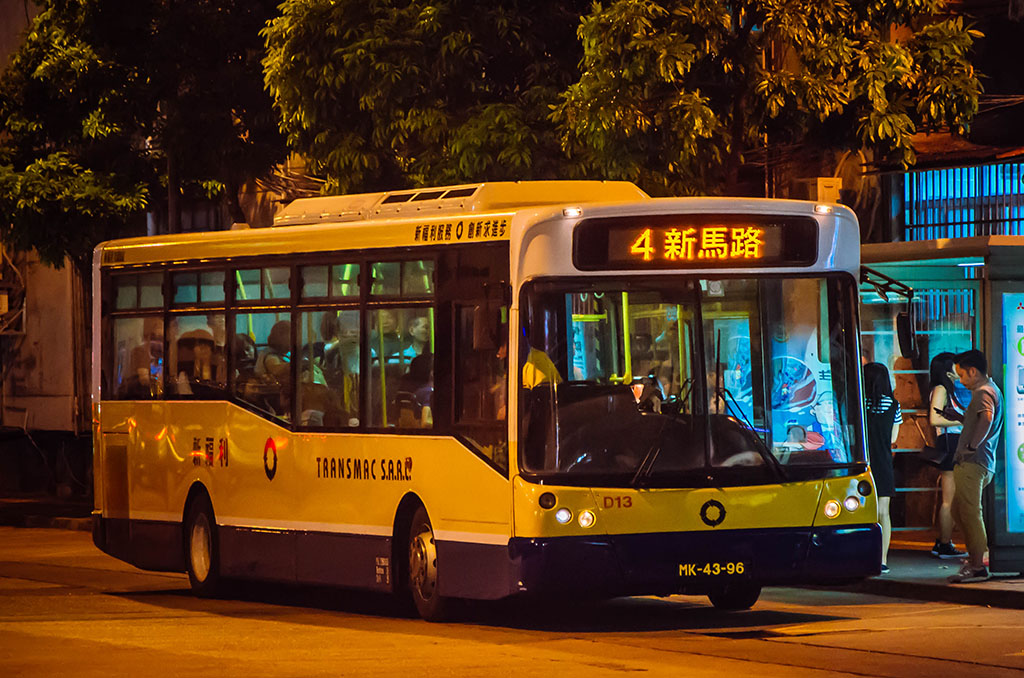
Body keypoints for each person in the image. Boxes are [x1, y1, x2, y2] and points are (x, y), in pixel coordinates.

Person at [946, 349, 1003, 583]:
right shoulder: (991, 389)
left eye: (961, 375)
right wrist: (960, 417)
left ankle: (978, 565)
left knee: (969, 513)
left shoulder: (982, 392)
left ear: (973, 371)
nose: (960, 380)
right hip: (981, 462)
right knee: (959, 511)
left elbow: (986, 417)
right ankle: (976, 556)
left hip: (973, 463)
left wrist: (971, 445)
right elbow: (981, 419)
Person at [927, 352, 969, 559]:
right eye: (955, 365)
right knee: (949, 500)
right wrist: (962, 420)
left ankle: (944, 542)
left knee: (951, 499)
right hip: (950, 442)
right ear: (946, 369)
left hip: (953, 442)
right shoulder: (941, 389)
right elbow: (934, 419)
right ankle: (944, 543)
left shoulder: (948, 388)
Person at [863, 362, 902, 574]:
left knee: (864, 511)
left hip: (863, 463)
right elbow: (894, 438)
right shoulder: (894, 405)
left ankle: (865, 556)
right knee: (883, 513)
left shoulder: (859, 404)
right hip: (884, 462)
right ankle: (883, 559)